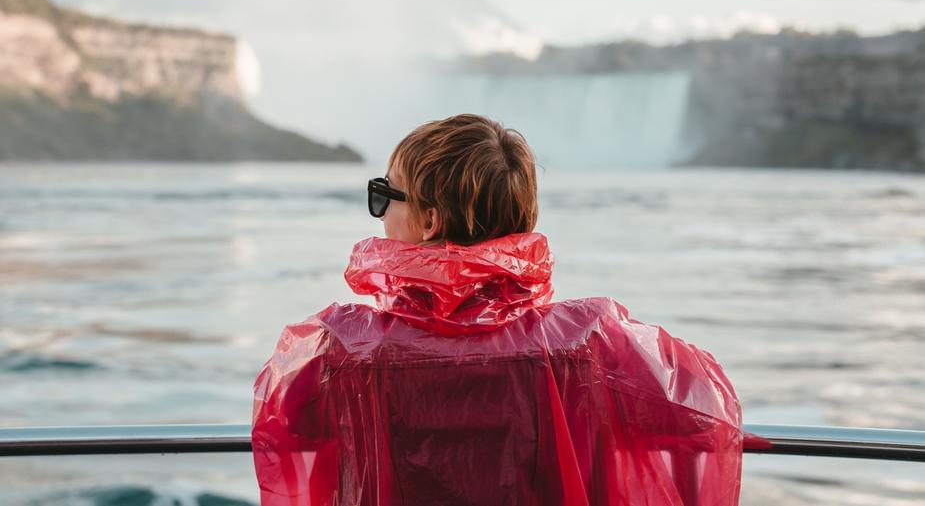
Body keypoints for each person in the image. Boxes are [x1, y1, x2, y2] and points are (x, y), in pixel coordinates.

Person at [252, 114, 743, 505]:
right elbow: (706, 412)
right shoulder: (589, 341)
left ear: (429, 221)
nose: (379, 212)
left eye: (384, 195)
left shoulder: (343, 347)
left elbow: (287, 424)